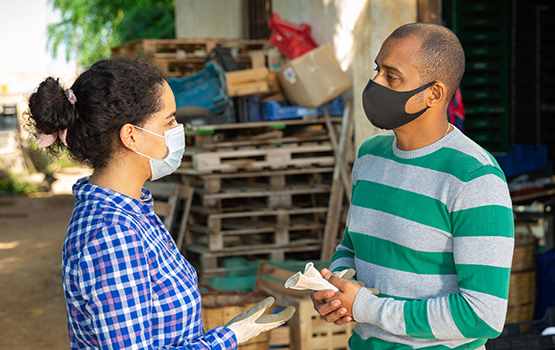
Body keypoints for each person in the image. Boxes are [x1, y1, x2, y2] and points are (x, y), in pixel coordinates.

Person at [26, 57, 293, 350]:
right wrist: (225, 339)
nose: (179, 129)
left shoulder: (132, 211)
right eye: (170, 120)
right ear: (131, 136)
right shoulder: (113, 235)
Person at [310, 23, 514, 350]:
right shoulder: (370, 156)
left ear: (433, 94)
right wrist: (337, 288)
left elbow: (483, 315)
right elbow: (352, 246)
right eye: (377, 70)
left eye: (392, 77)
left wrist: (365, 307)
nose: (375, 84)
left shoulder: (475, 177)